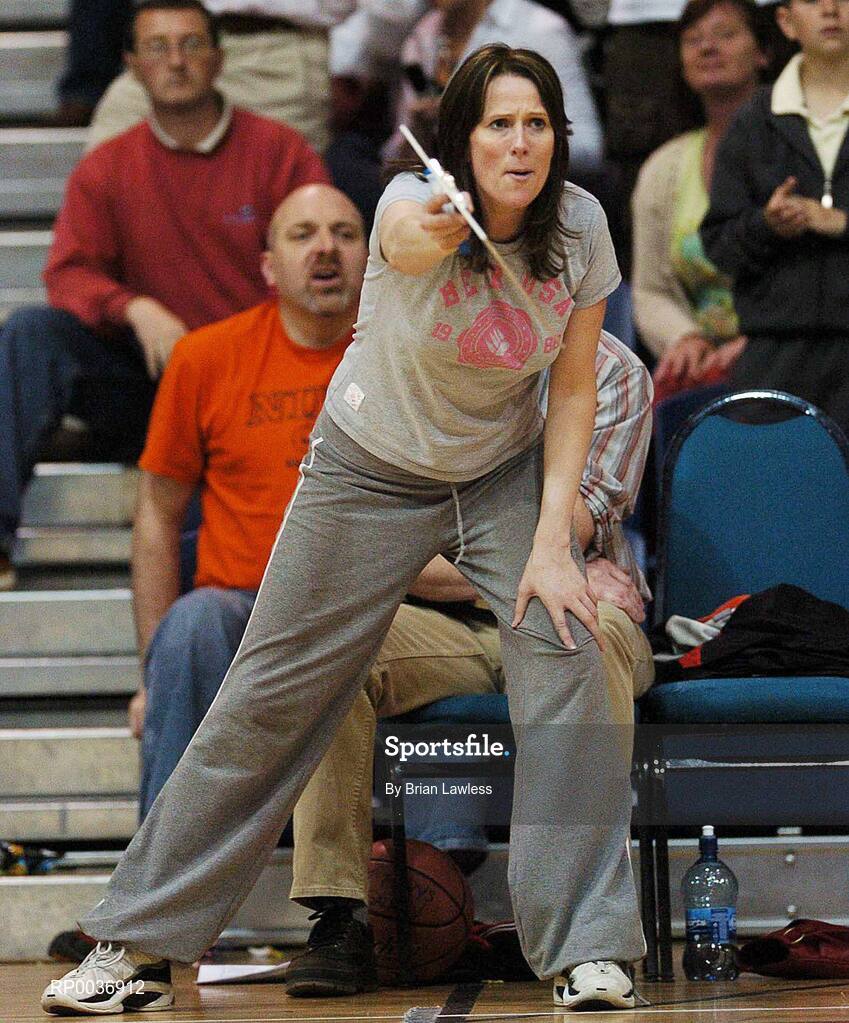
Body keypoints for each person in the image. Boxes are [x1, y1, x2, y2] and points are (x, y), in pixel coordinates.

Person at [42, 44, 647, 1016]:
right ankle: (139, 948)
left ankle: (588, 951)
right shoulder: (411, 202)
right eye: (497, 123)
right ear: (460, 138)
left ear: (559, 139)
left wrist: (549, 543)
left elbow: (574, 389)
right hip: (366, 471)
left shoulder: (578, 227)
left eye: (537, 123)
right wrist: (443, 223)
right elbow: (404, 243)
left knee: (567, 643)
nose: (520, 141)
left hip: (497, 475)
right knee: (268, 694)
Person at [284, 327, 655, 997]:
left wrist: (453, 557)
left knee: (589, 634)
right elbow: (378, 546)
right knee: (329, 643)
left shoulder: (614, 371)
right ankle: (338, 913)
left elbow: (573, 525)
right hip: (447, 624)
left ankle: (586, 942)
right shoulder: (399, 358)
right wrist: (446, 562)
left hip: (571, 602)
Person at [0, 0, 328, 592]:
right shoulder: (108, 167)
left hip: (249, 389)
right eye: (157, 47)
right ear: (130, 65)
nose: (175, 61)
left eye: (191, 45)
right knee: (29, 333)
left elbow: (326, 261)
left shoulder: (279, 154)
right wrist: (135, 308)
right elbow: (68, 274)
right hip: (150, 383)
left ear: (219, 59)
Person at [131, 183, 366, 817]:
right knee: (193, 626)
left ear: (370, 256)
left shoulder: (398, 359)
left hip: (362, 606)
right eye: (303, 234)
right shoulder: (205, 358)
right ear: (267, 265)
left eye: (345, 234)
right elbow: (156, 516)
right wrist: (151, 678)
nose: (326, 249)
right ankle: (155, 904)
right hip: (241, 612)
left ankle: (422, 878)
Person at [701, 0, 849, 437]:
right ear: (785, 21)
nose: (830, 9)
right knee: (777, 499)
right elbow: (719, 244)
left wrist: (839, 223)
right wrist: (766, 224)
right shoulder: (753, 120)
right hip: (774, 354)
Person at [631, 0, 768, 401]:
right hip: (702, 365)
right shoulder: (663, 167)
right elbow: (650, 289)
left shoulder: (802, 149)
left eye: (726, 34)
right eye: (693, 40)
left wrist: (763, 342)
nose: (708, 47)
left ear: (764, 51)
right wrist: (684, 336)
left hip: (790, 350)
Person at [86, 0, 358, 154]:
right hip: (181, 29)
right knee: (111, 137)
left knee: (291, 194)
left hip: (283, 49)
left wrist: (351, 61)